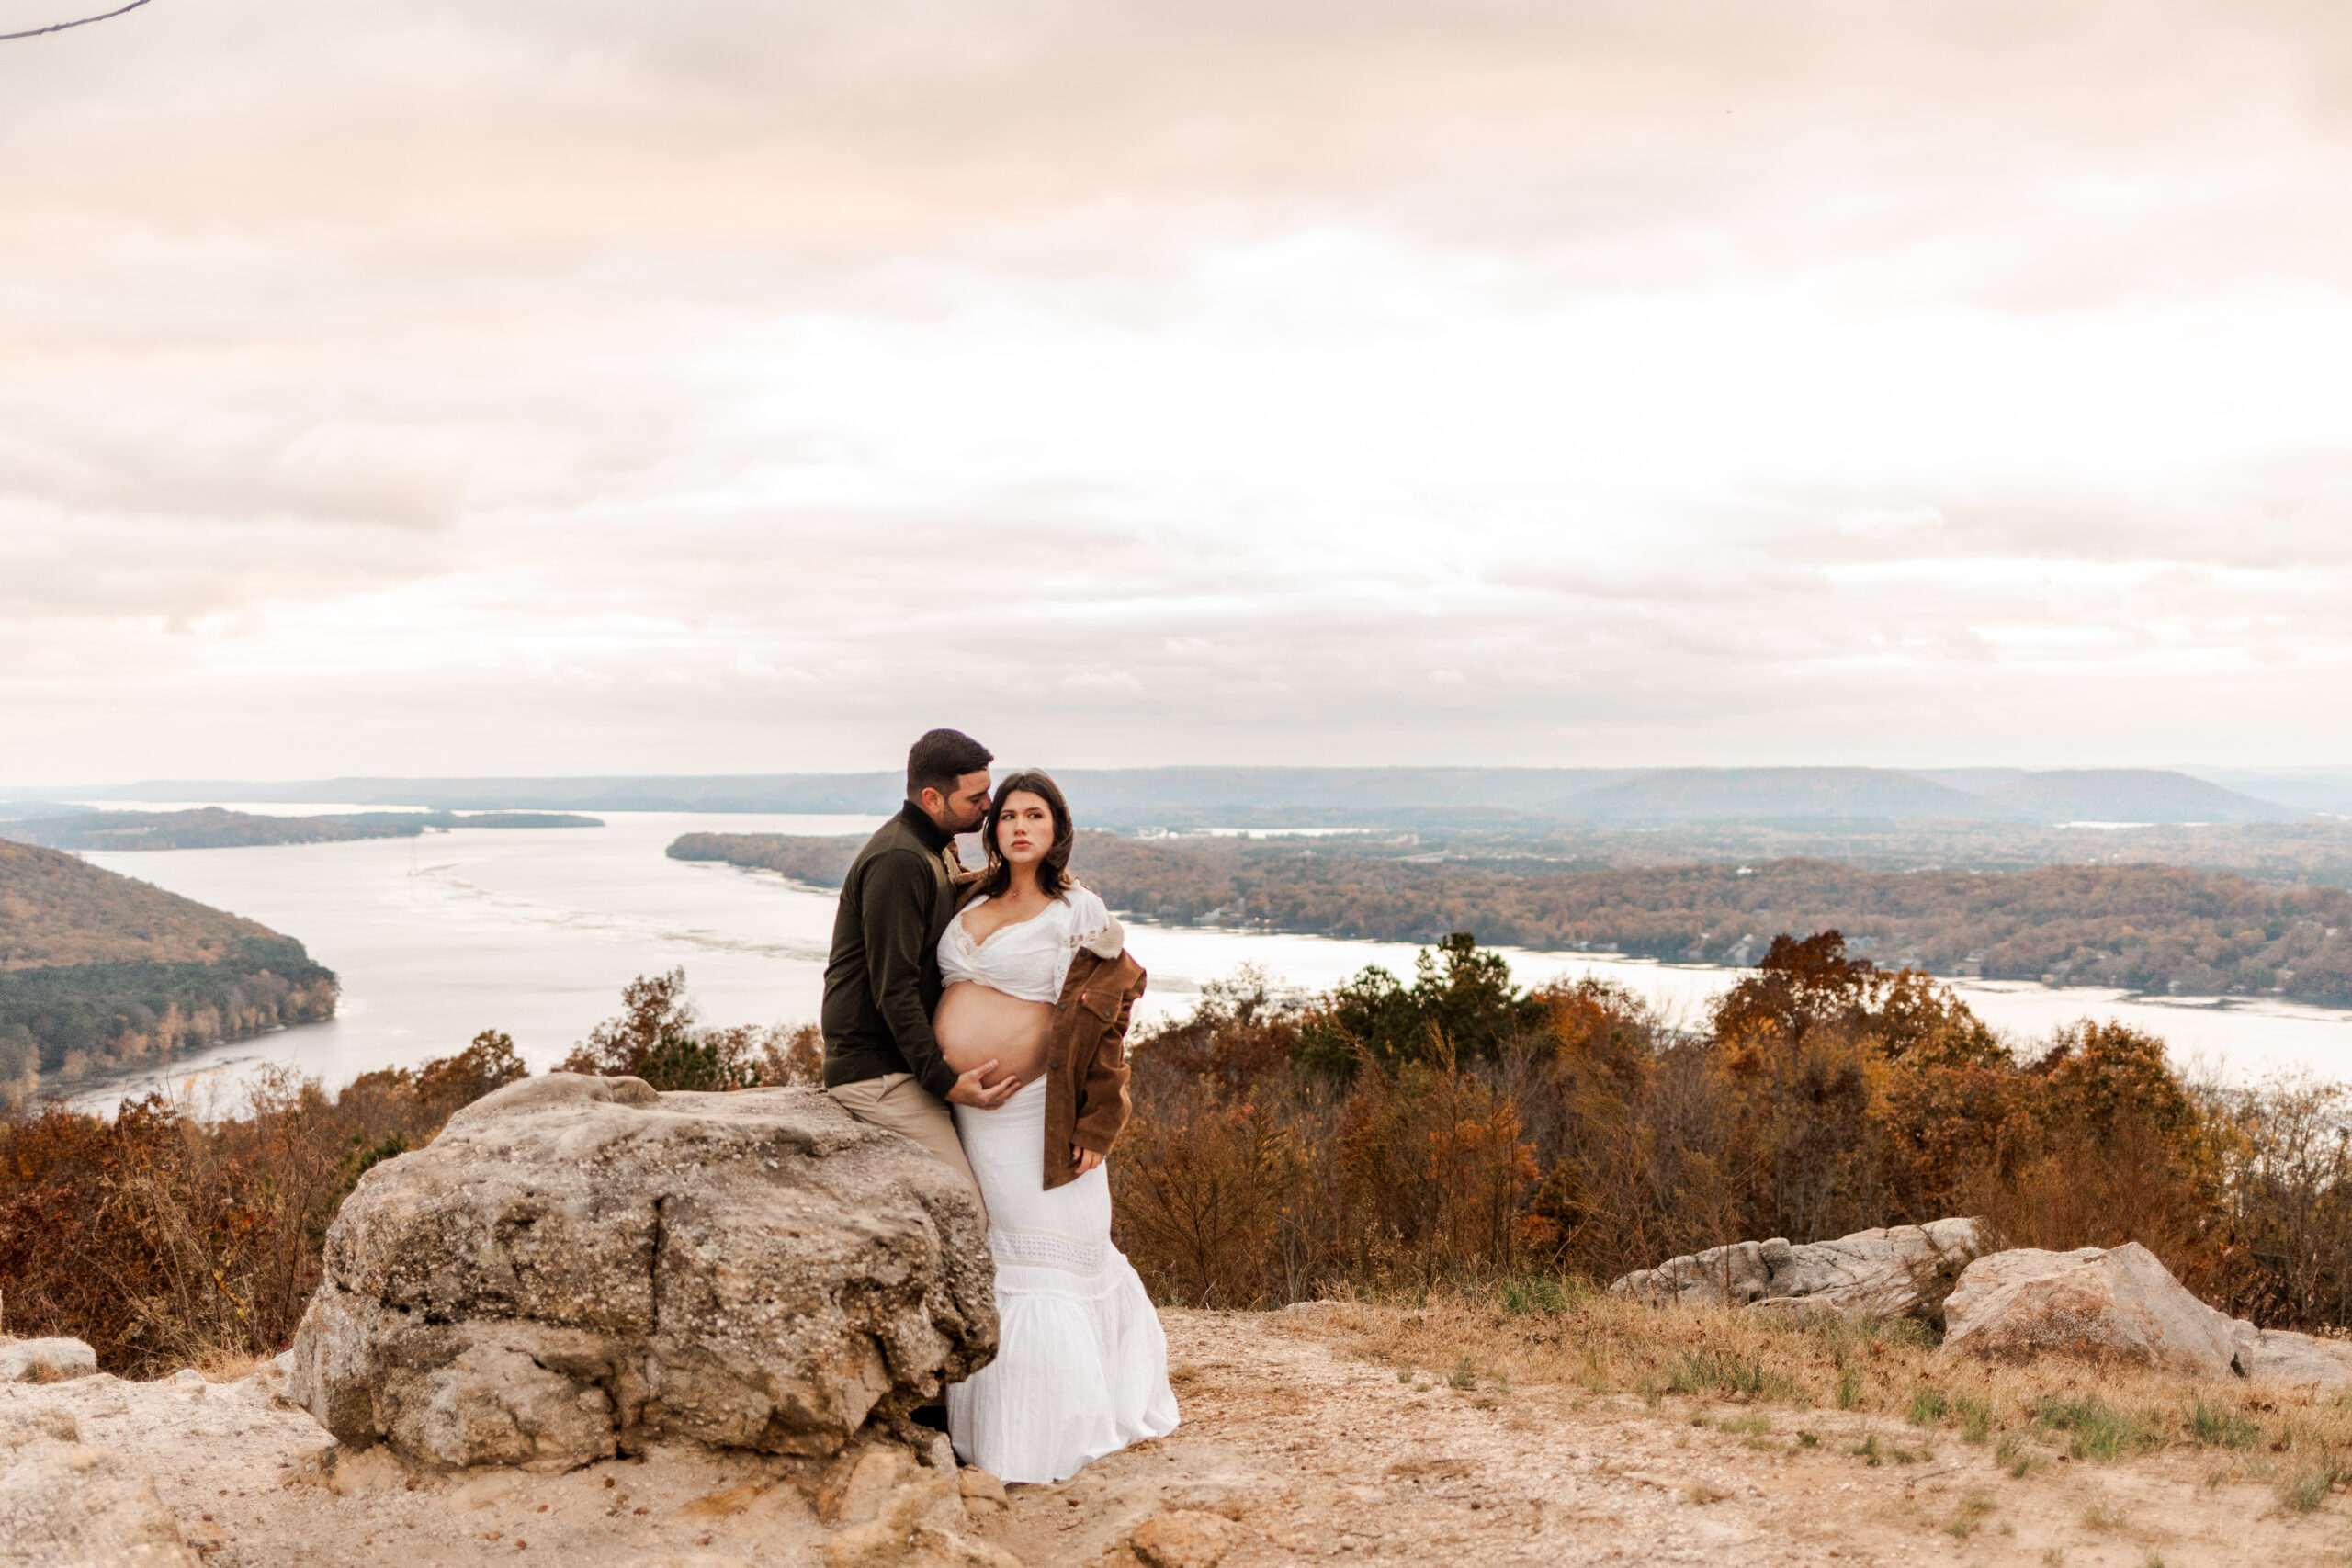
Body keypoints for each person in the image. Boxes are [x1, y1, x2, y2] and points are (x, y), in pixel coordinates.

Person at [934, 769, 1178, 1483]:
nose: (1018, 826)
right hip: (975, 1113)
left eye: (1034, 814)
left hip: (1043, 1110)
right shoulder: (966, 897)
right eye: (1007, 814)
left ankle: (1055, 1433)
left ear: (1055, 828)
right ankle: (994, 1429)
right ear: (993, 828)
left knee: (1051, 1259)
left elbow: (1111, 1022)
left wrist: (1098, 1123)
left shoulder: (1079, 909)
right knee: (1002, 1257)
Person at [821, 728, 1018, 1211]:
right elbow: (895, 988)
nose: (988, 804)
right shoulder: (900, 859)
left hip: (905, 1067)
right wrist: (943, 1080)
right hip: (880, 1074)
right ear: (932, 798)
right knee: (965, 1208)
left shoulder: (931, 849)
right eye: (976, 797)